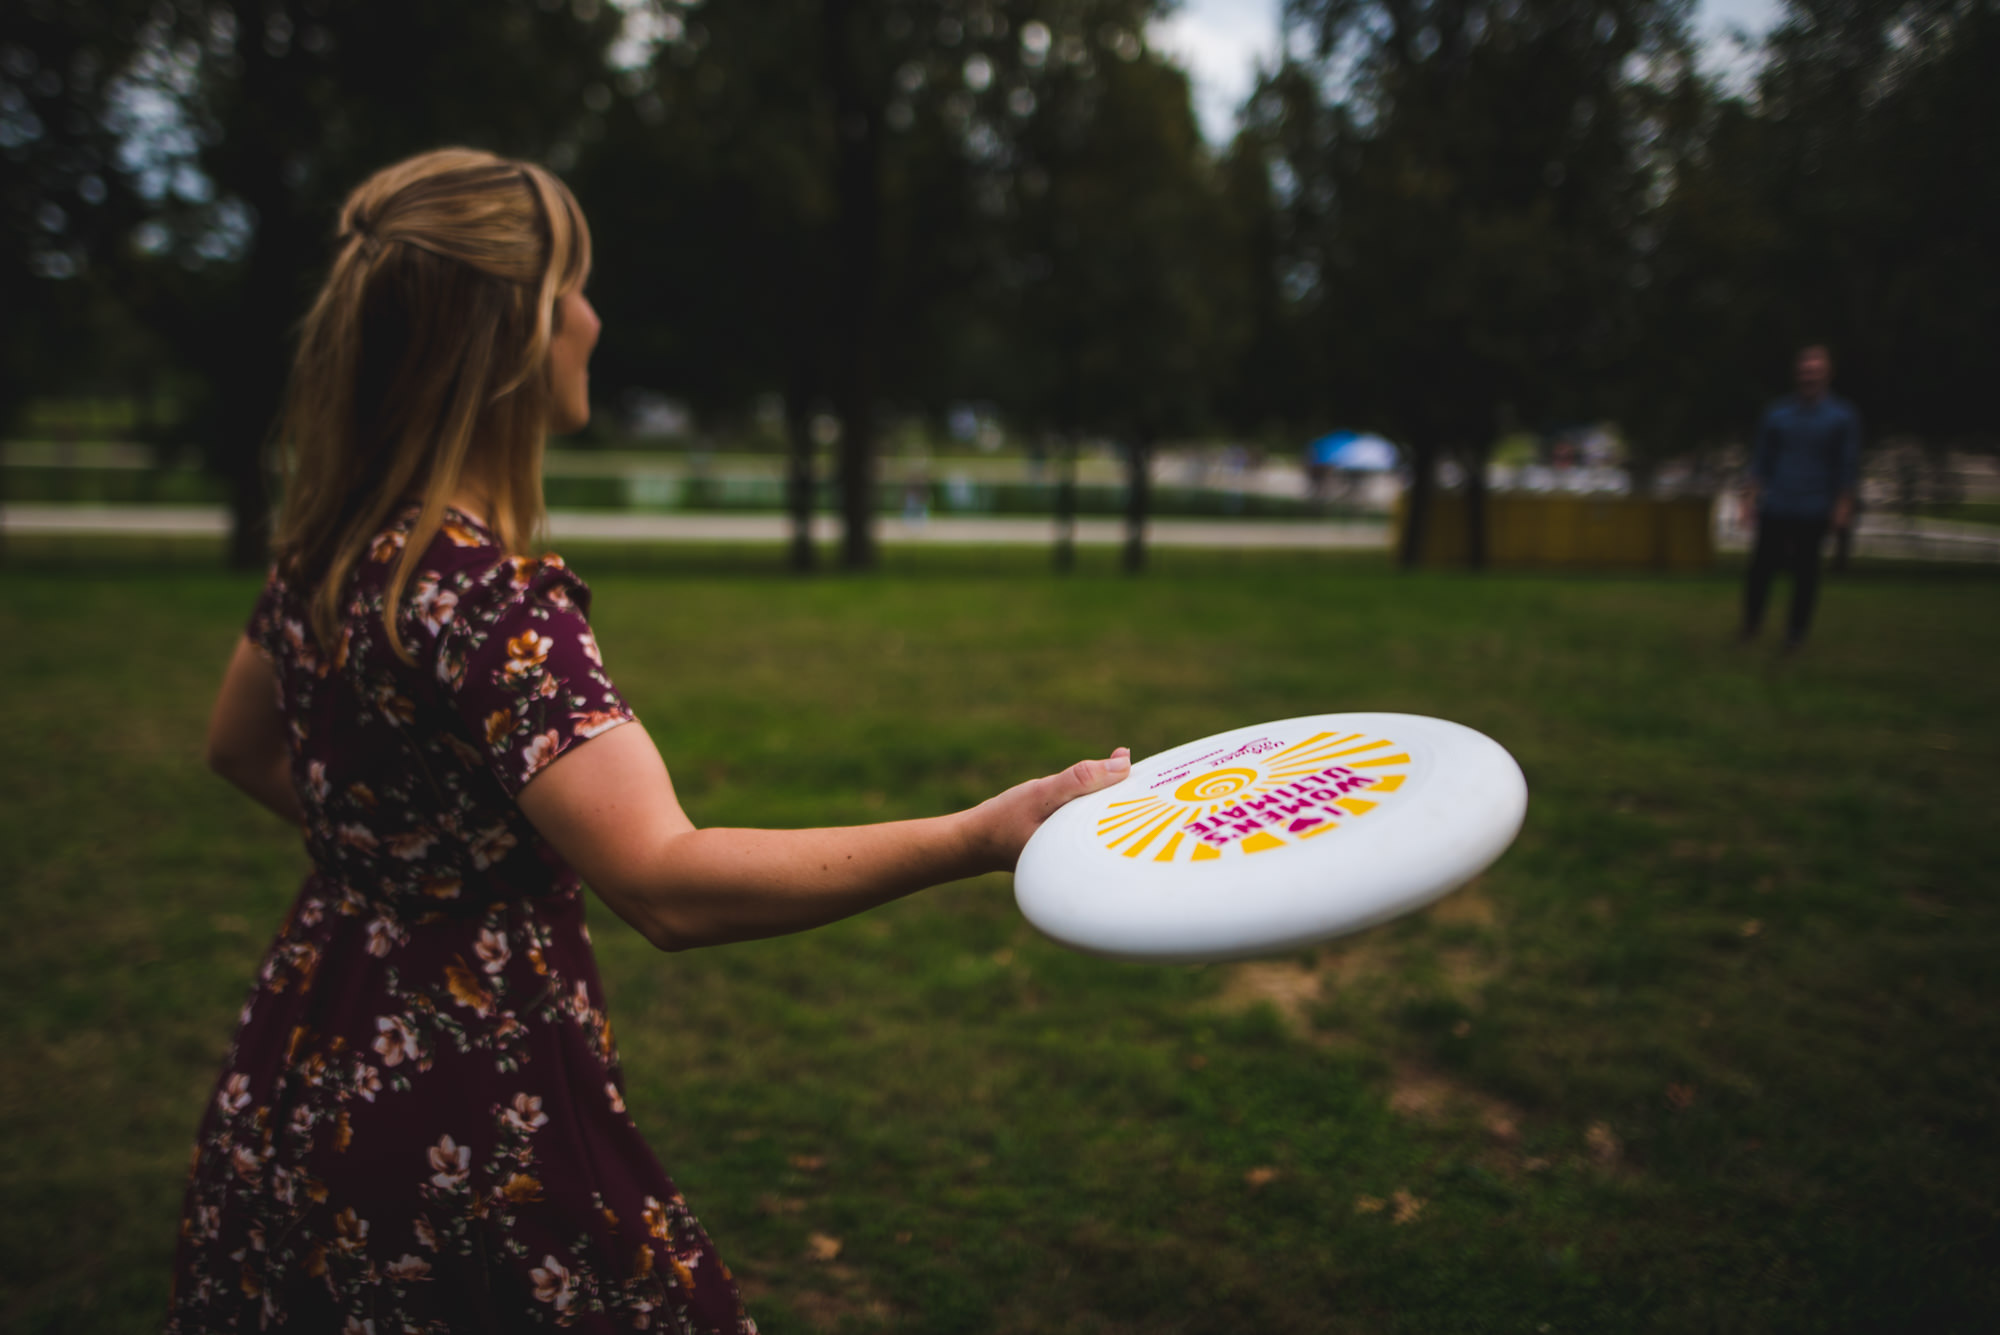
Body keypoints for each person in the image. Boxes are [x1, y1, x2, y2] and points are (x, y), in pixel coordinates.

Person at [171, 148, 1129, 1333]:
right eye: (572, 286)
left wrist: (409, 863)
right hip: (473, 1106)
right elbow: (667, 884)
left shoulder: (333, 548)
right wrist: (979, 835)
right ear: (517, 334)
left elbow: (239, 745)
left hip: (311, 1054)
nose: (593, 316)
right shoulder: (488, 604)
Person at [1740, 344, 1861, 650]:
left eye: (1815, 370)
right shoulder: (1778, 414)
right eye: (1805, 370)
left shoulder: (1842, 417)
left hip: (1815, 506)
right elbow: (1761, 461)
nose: (1809, 375)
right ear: (1797, 374)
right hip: (1778, 503)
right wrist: (1748, 501)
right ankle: (1751, 625)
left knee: (1806, 574)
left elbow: (1846, 466)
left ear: (1827, 374)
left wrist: (1843, 506)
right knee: (1760, 570)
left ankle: (1795, 635)